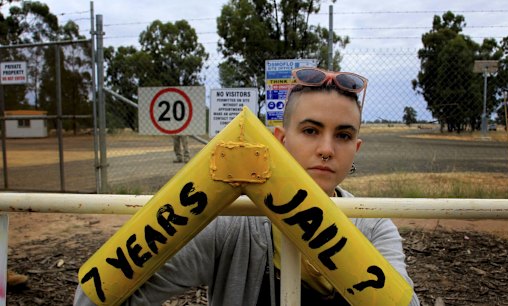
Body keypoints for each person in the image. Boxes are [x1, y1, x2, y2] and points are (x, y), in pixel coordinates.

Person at [74, 67, 419, 306]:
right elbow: (97, 293)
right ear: (280, 141)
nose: (327, 149)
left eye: (343, 135)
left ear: (356, 148)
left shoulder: (373, 226)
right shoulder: (231, 224)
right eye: (311, 130)